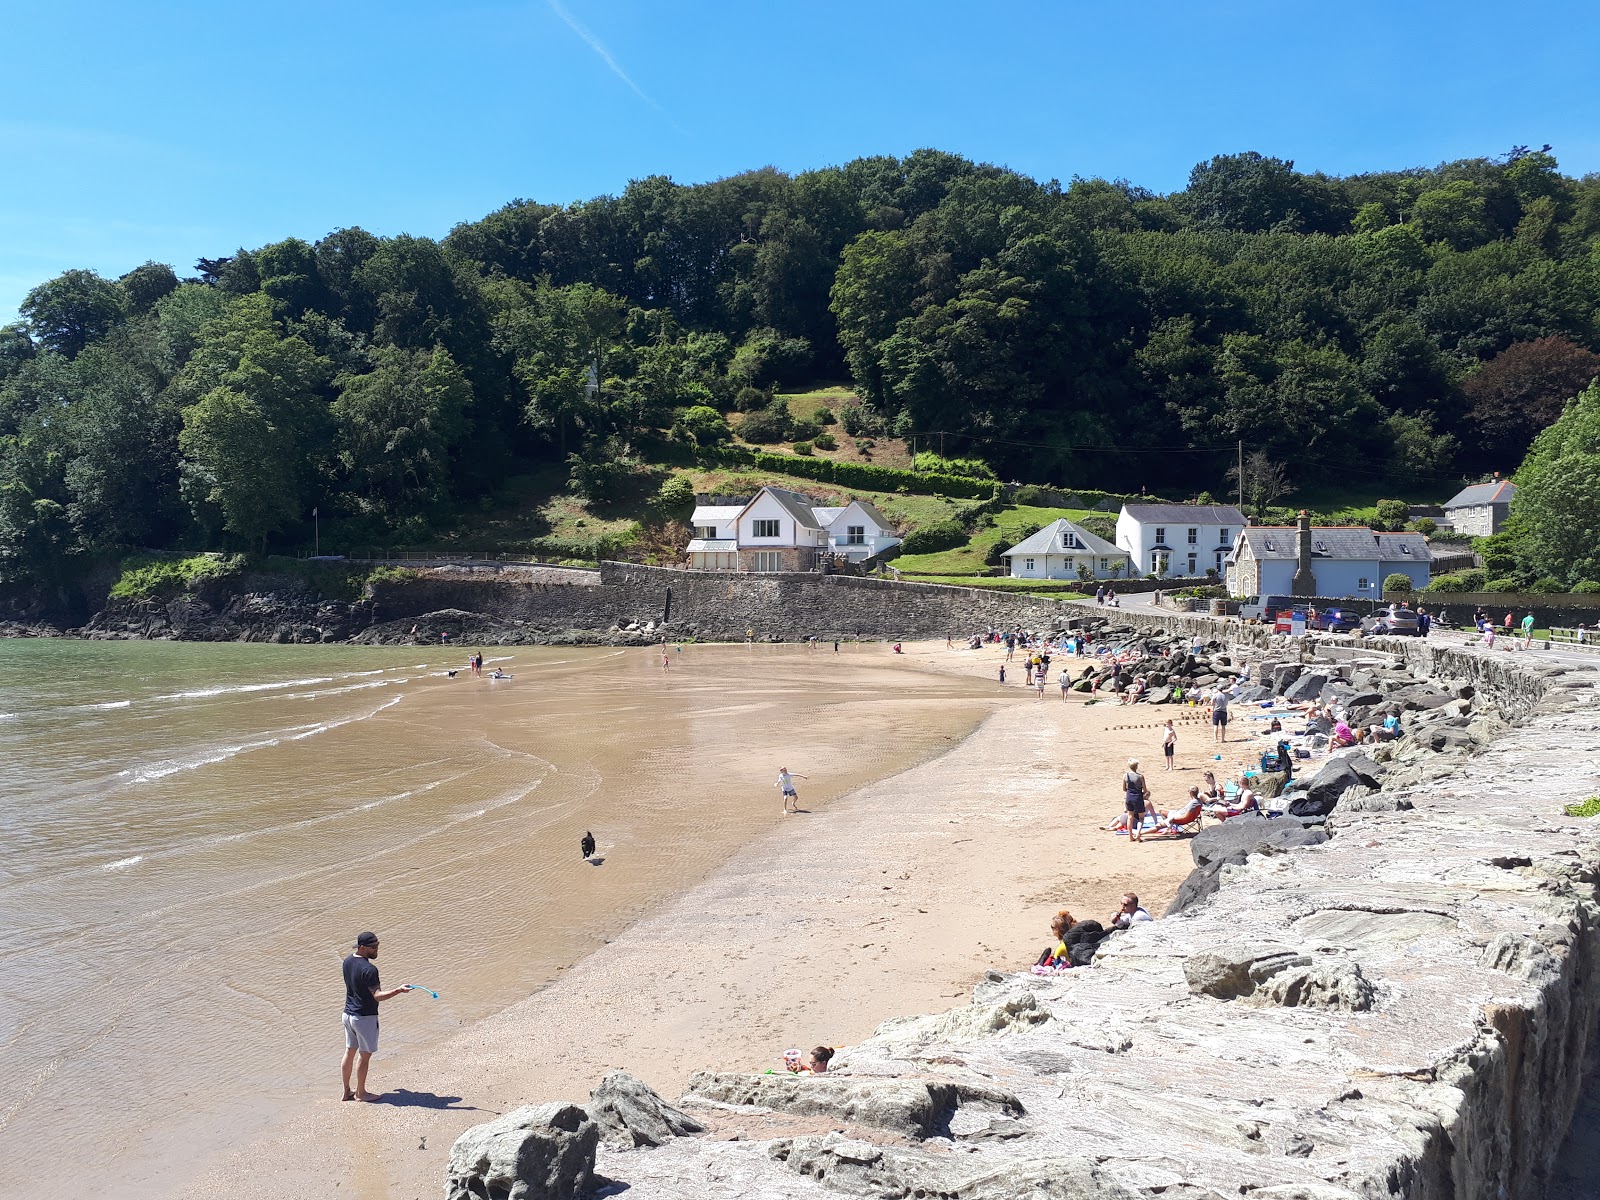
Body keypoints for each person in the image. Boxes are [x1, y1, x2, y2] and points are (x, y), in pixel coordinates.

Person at [341, 932, 414, 1102]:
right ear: (362, 947)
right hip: (364, 1018)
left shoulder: (347, 961)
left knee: (349, 1052)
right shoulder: (370, 969)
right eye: (373, 947)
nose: (376, 950)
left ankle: (346, 1091)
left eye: (378, 945)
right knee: (364, 1055)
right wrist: (399, 990)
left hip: (347, 1015)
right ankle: (361, 1093)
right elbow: (378, 996)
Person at [1123, 758, 1150, 843]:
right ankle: (1138, 834)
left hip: (1129, 797)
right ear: (1136, 766)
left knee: (1130, 817)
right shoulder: (1140, 776)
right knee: (1141, 818)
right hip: (1138, 797)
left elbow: (1124, 789)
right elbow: (1145, 790)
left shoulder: (1125, 775)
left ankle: (1130, 836)